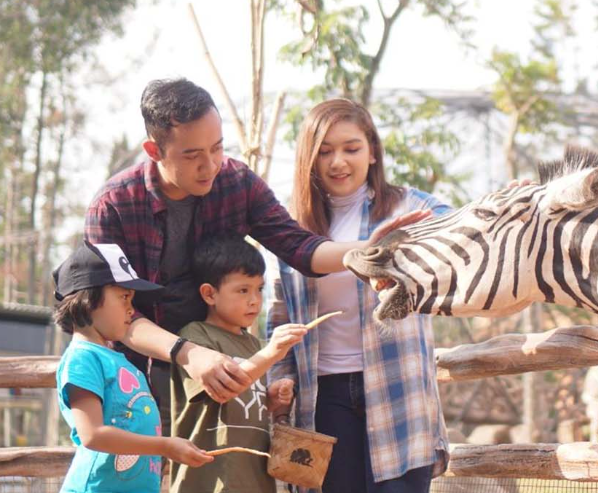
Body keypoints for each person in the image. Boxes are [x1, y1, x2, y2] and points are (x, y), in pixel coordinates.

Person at [84, 78, 429, 436]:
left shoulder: (237, 183)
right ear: (154, 151)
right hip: (135, 377)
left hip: (225, 369)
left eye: (217, 148)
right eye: (192, 155)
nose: (211, 165)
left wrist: (364, 251)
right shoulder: (113, 207)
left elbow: (300, 247)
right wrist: (189, 354)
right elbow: (114, 317)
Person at [268, 99, 450, 493]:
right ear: (309, 159)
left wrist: (508, 205)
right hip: (324, 395)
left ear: (372, 151)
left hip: (397, 386)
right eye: (325, 151)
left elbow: (464, 229)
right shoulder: (292, 226)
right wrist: (279, 380)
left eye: (351, 148)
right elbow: (280, 314)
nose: (338, 162)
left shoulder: (411, 208)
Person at [52, 241, 213, 493]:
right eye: (124, 297)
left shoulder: (117, 359)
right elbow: (92, 434)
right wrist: (164, 446)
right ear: (88, 300)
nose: (131, 309)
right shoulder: (83, 358)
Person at [170, 236, 308, 493]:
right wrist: (272, 353)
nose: (255, 299)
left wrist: (273, 399)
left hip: (254, 481)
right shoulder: (195, 337)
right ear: (209, 294)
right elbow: (224, 389)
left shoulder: (254, 345)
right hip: (208, 482)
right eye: (243, 290)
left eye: (259, 289)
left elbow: (247, 405)